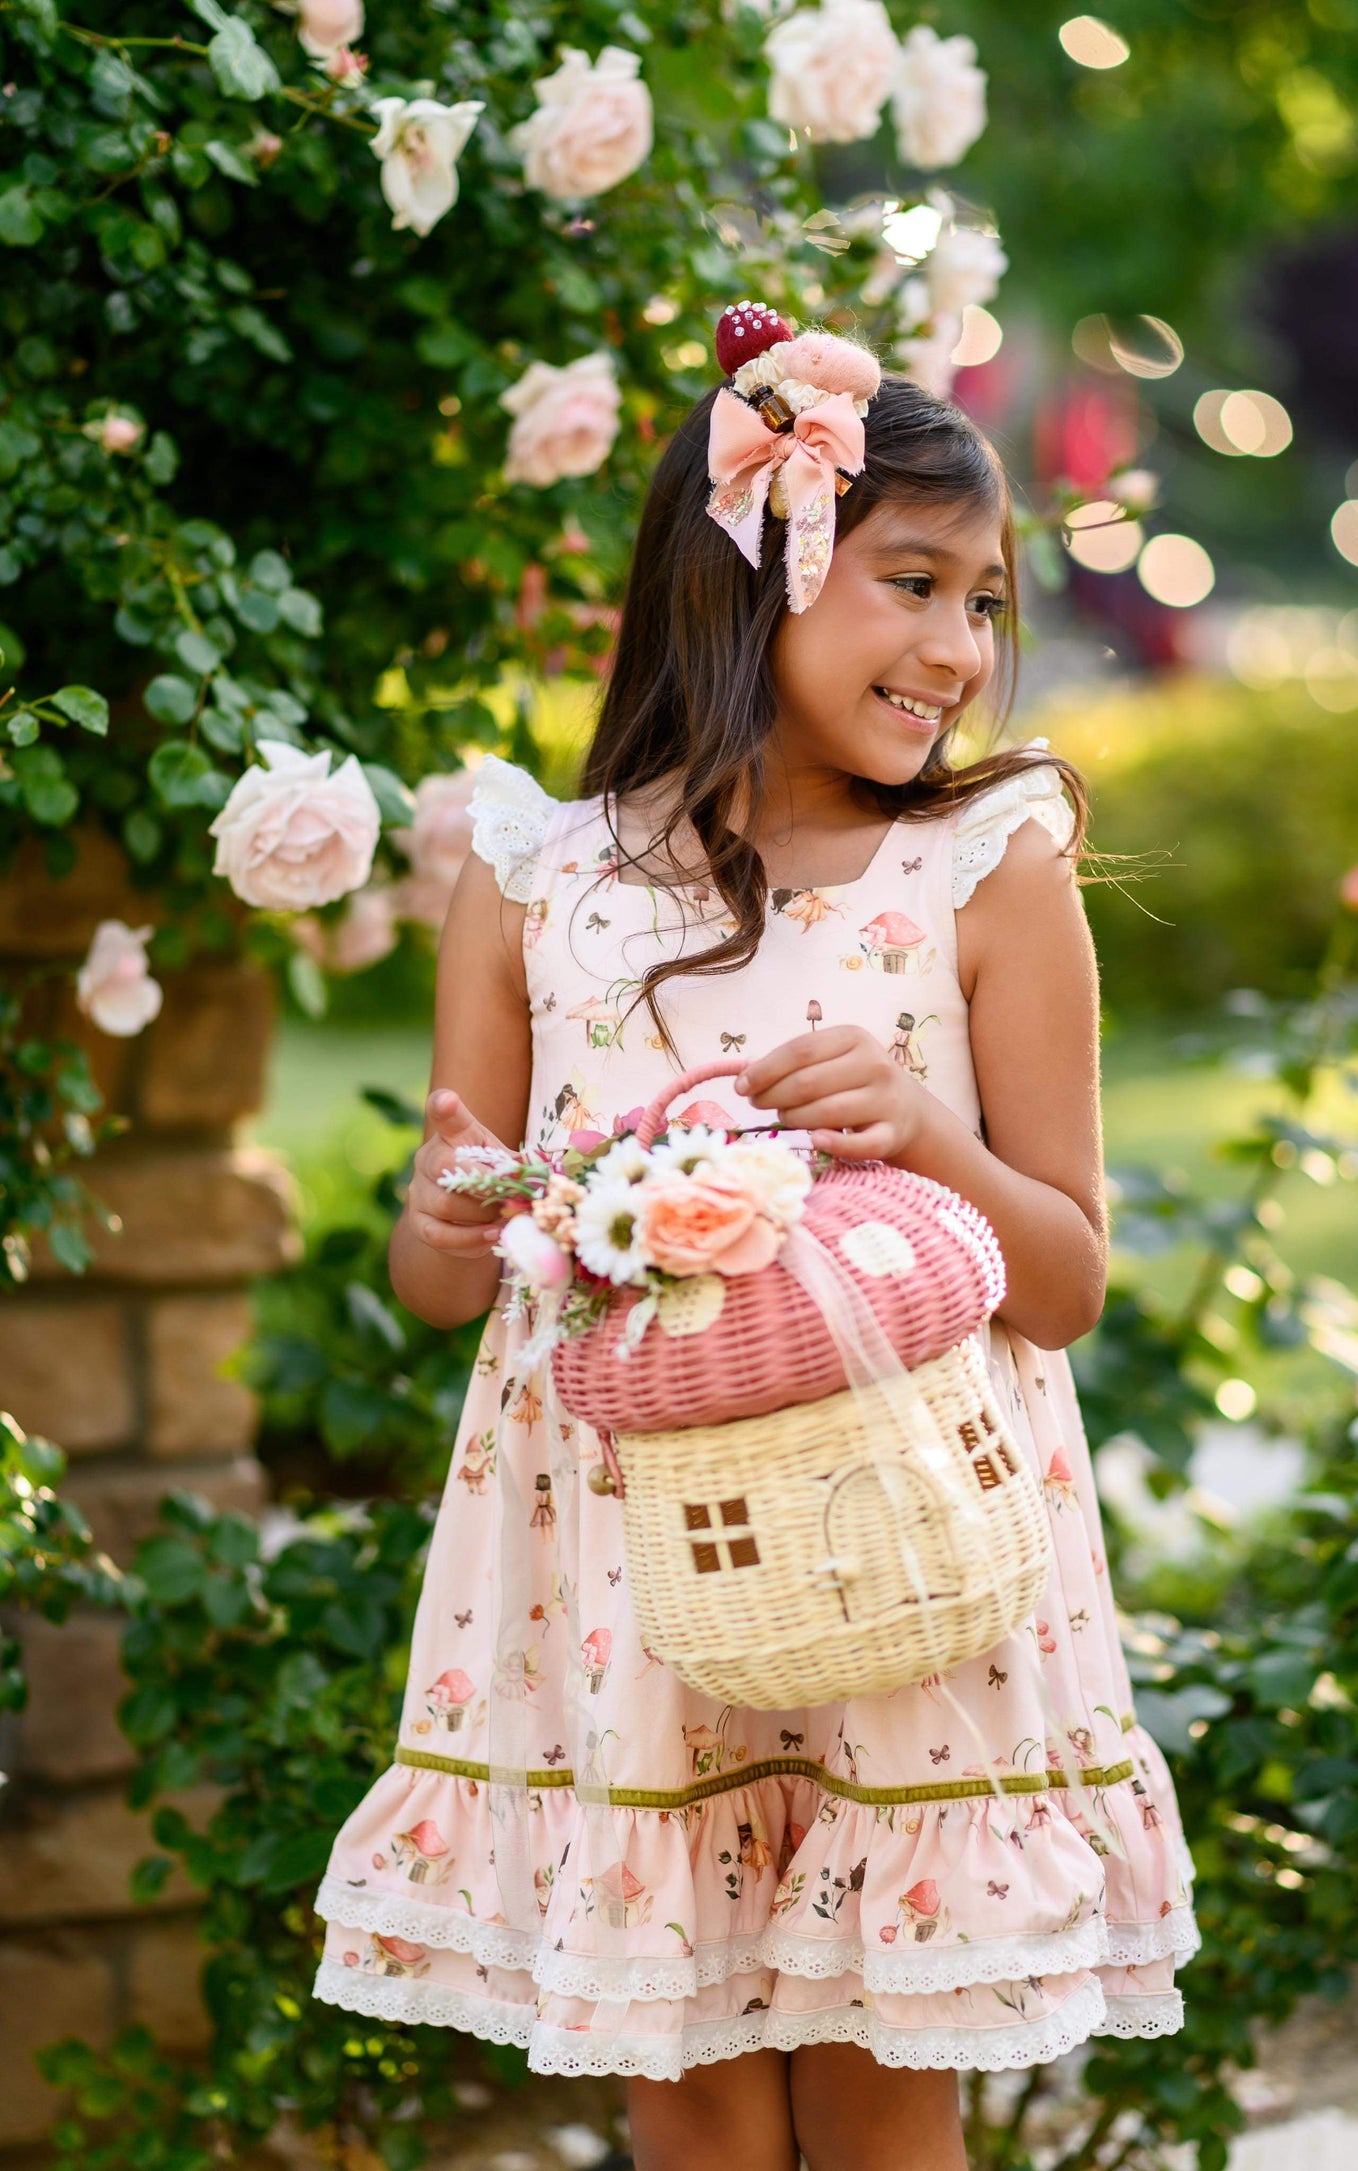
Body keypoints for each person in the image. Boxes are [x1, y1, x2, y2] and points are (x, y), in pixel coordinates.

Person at [309, 312, 1196, 2171]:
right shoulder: (542, 881)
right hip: (618, 1571)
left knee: (885, 2088)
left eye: (982, 599)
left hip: (900, 1560)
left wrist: (933, 1140)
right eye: (909, 584)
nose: (959, 647)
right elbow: (447, 1279)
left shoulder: (987, 872)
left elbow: (1068, 1278)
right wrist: (447, 1208)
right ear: (752, 571)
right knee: (689, 2095)